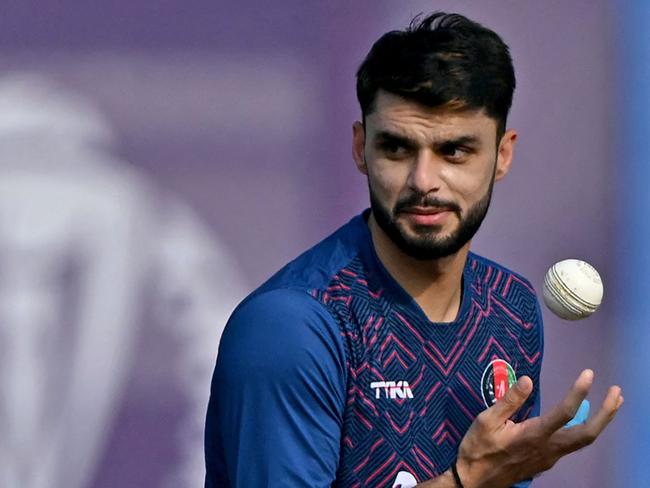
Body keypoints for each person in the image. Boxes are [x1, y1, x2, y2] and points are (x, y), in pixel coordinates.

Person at [204, 12, 623, 488]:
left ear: (502, 155)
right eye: (397, 149)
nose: (424, 182)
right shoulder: (292, 326)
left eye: (455, 151)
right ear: (361, 148)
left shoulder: (512, 309)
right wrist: (465, 481)